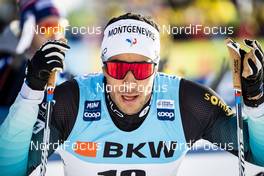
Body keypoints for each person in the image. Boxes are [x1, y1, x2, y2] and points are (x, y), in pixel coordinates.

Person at [0, 13, 264, 176]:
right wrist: (30, 91)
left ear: (156, 68)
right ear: (103, 68)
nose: (129, 81)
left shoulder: (186, 102)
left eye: (140, 69)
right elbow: (8, 169)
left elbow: (257, 154)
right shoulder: (72, 101)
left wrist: (255, 102)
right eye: (118, 68)